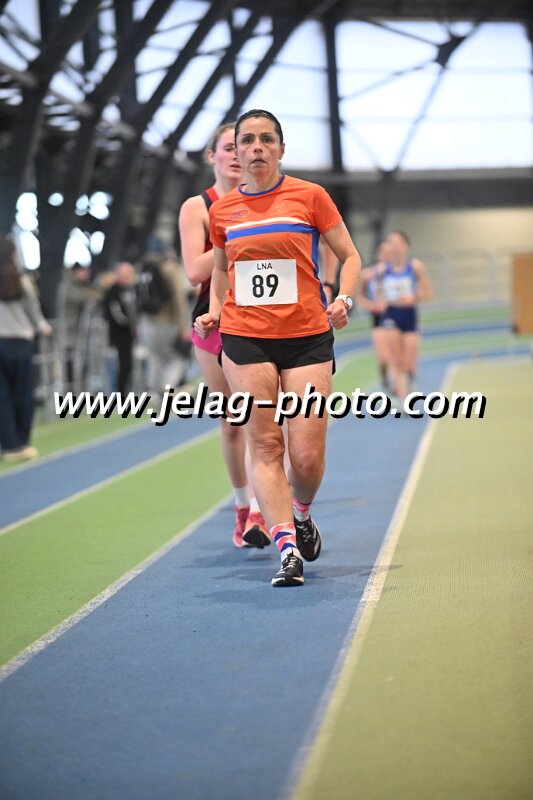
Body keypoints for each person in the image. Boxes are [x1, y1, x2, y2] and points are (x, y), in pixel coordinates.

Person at [195, 109, 361, 587]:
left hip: (307, 337)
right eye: (247, 140)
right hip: (245, 338)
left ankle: (302, 512)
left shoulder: (310, 196)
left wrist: (344, 299)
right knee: (265, 443)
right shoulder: (223, 211)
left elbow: (350, 256)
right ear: (237, 150)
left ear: (281, 149)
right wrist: (216, 310)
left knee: (305, 456)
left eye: (267, 139)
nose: (256, 148)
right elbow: (222, 269)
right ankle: (287, 548)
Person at [179, 122, 271, 550]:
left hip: (259, 319)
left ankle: (260, 512)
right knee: (234, 422)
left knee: (262, 420)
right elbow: (193, 271)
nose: (237, 154)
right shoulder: (197, 207)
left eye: (242, 146)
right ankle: (241, 505)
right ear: (211, 155)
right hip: (212, 321)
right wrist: (236, 237)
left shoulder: (266, 199)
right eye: (228, 147)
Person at [0, 235, 52, 462]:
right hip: (20, 344)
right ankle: (22, 442)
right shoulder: (22, 282)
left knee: (2, 397)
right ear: (13, 255)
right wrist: (43, 326)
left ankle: (9, 445)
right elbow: (34, 313)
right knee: (23, 394)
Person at [380, 230, 432, 401]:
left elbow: (427, 292)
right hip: (391, 315)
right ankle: (403, 399)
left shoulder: (415, 266)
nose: (393, 246)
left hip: (409, 315)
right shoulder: (383, 270)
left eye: (397, 242)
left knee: (409, 364)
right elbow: (376, 293)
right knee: (397, 361)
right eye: (390, 242)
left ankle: (410, 384)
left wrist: (414, 297)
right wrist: (380, 302)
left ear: (405, 246)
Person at [137, 247, 190, 398]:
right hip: (167, 320)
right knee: (178, 356)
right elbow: (179, 299)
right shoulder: (171, 270)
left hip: (146, 322)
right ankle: (169, 387)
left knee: (155, 357)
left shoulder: (144, 271)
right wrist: (184, 324)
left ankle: (154, 391)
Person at [357, 241, 391, 392]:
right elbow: (360, 296)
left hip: (395, 317)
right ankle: (384, 377)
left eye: (389, 253)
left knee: (397, 357)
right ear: (378, 255)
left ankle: (400, 385)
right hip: (378, 319)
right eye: (383, 253)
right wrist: (371, 305)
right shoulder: (368, 274)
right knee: (384, 358)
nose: (386, 256)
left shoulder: (398, 272)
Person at [102, 261, 137, 395]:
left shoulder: (132, 289)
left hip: (129, 334)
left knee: (128, 364)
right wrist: (128, 325)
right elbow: (115, 314)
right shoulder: (113, 291)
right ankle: (120, 394)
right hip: (118, 335)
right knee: (120, 364)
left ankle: (127, 391)